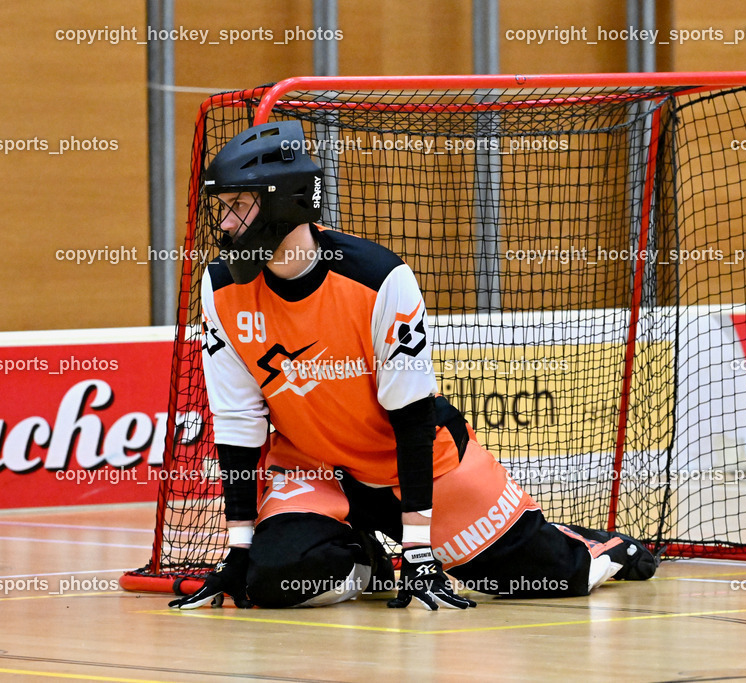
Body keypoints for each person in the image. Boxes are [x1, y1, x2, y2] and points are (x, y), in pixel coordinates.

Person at [168, 121, 657, 611]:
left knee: (553, 579)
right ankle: (368, 558)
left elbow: (412, 417)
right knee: (273, 581)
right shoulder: (221, 288)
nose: (225, 223)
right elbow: (239, 420)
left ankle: (591, 545)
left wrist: (420, 551)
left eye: (238, 205)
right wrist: (239, 550)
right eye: (221, 207)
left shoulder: (379, 278)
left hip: (414, 466)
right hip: (315, 470)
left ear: (285, 203)